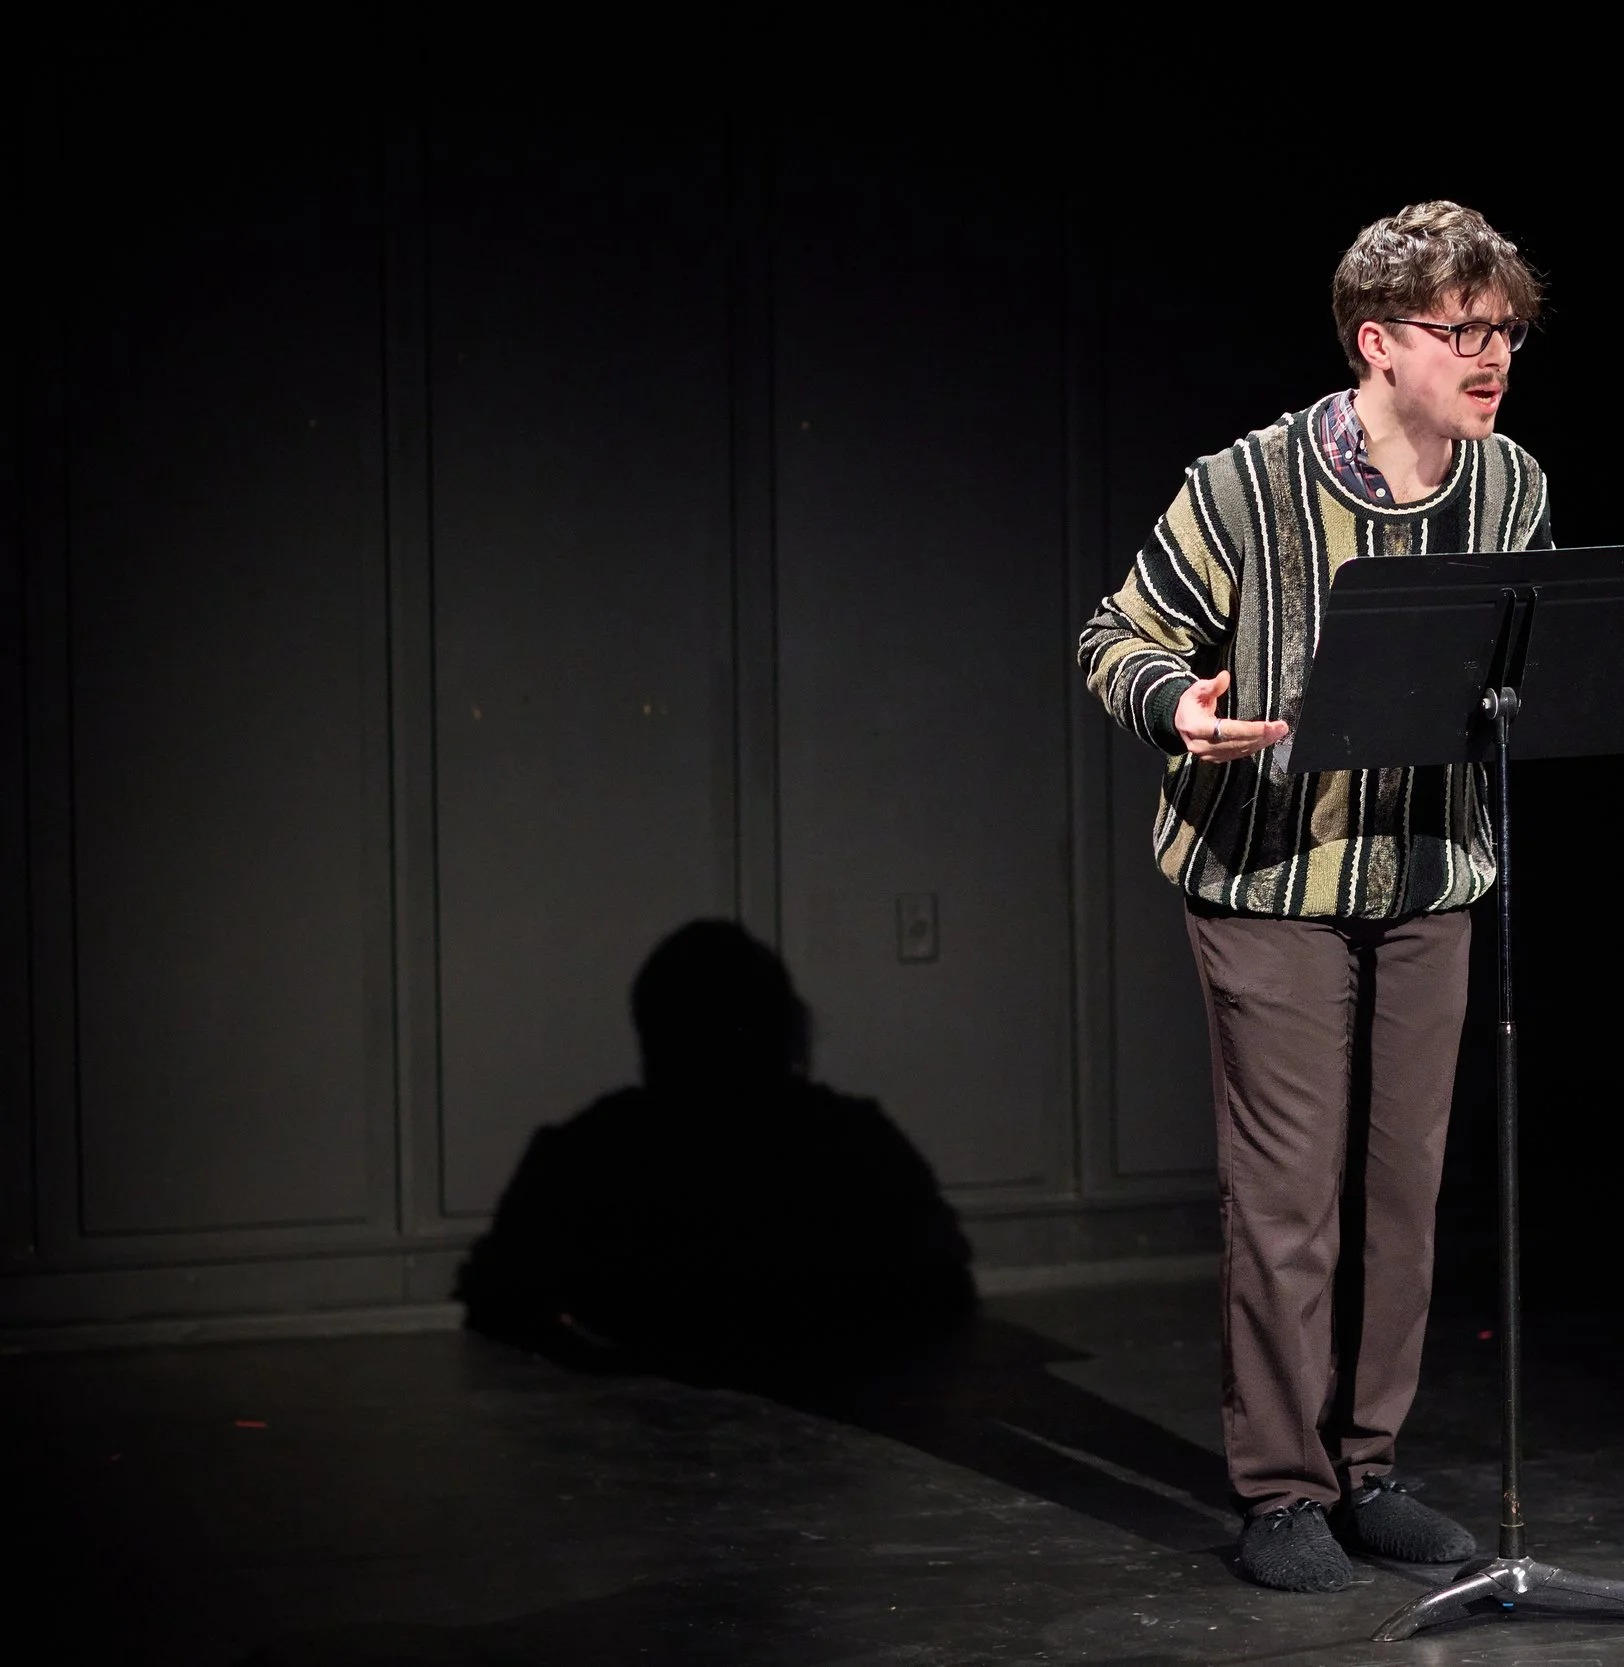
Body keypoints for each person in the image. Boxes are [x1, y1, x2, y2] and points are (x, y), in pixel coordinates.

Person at [1078, 201, 1550, 1592]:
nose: (1493, 354)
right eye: (1463, 330)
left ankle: (1370, 1467)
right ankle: (1281, 1488)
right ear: (1378, 342)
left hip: (1427, 875)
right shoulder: (1243, 485)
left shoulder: (1510, 484)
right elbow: (1119, 633)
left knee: (1403, 1191)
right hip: (1272, 874)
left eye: (1506, 329)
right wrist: (1181, 707)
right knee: (1290, 1198)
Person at [457, 919, 975, 1384]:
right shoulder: (856, 1143)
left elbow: (495, 1298)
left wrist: (608, 1366)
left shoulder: (591, 1150)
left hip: (640, 1442)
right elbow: (943, 1292)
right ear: (785, 1028)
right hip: (834, 1424)